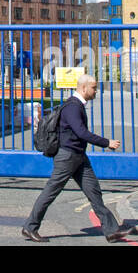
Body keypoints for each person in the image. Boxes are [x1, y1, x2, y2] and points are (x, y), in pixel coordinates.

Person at [23, 75, 130, 243]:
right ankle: (30, 227)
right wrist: (106, 142)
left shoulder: (77, 105)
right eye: (93, 88)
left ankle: (111, 231)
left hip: (78, 156)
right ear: (83, 88)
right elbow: (81, 132)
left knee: (94, 192)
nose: (96, 91)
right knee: (50, 192)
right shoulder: (72, 107)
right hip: (67, 157)